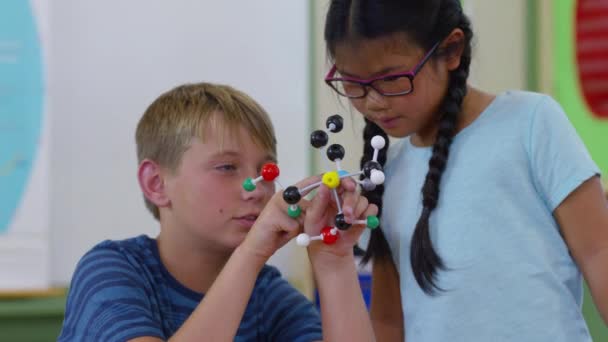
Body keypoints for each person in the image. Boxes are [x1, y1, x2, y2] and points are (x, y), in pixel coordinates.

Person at [322, 0, 608, 340]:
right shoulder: (385, 175)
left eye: (391, 79)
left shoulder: (531, 123)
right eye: (353, 84)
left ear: (451, 50)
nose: (373, 102)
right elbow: (388, 321)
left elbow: (599, 253)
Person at [58, 82, 377, 341]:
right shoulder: (110, 271)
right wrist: (252, 252)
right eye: (226, 167)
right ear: (156, 183)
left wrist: (334, 263)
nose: (255, 188)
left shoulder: (269, 298)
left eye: (266, 171)